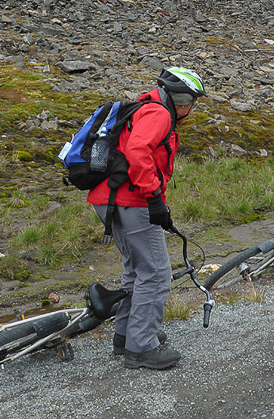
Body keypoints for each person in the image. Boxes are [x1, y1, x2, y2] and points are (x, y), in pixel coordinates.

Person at [87, 66, 206, 370]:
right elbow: (139, 152)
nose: (189, 108)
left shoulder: (145, 107)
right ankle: (141, 348)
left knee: (136, 270)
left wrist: (158, 204)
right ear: (182, 101)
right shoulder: (159, 115)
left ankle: (125, 336)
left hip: (109, 199)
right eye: (190, 102)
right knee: (155, 273)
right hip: (130, 201)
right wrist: (153, 197)